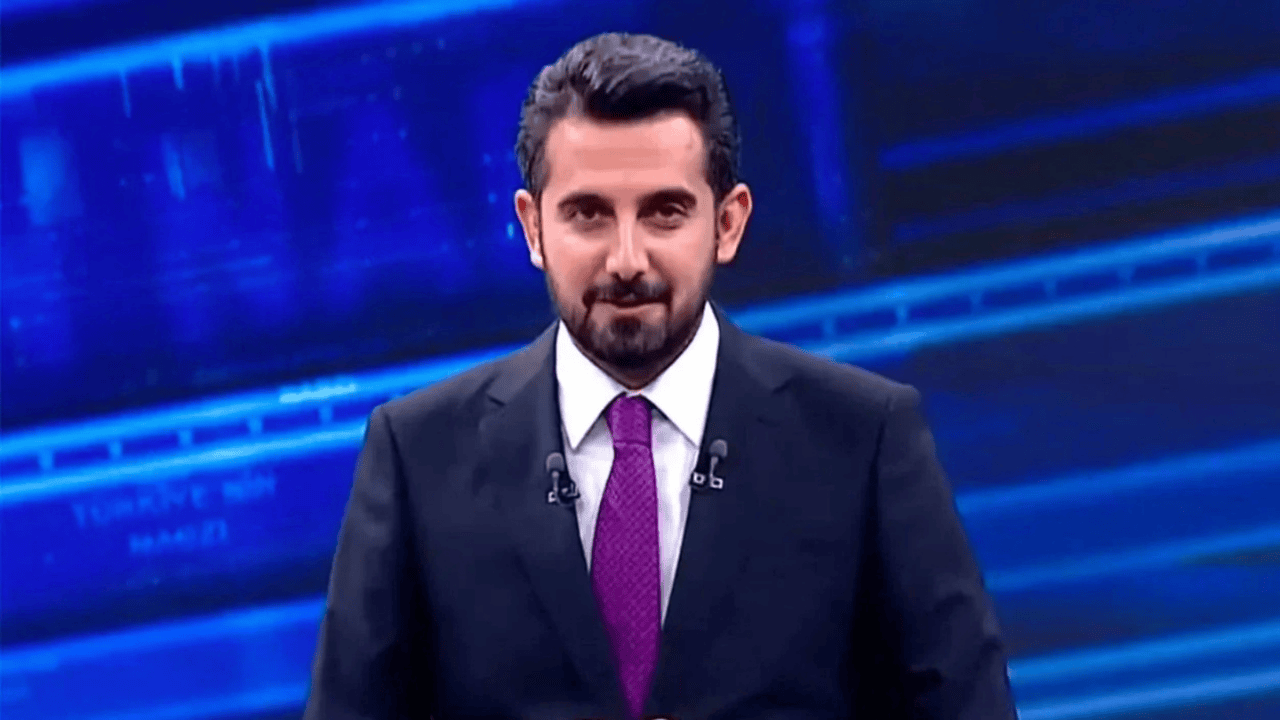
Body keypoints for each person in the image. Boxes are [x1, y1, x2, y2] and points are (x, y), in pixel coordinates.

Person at [304, 32, 1017, 720]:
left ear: (727, 223)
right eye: (588, 214)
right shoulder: (417, 455)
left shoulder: (862, 438)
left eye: (664, 212)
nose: (626, 259)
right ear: (533, 228)